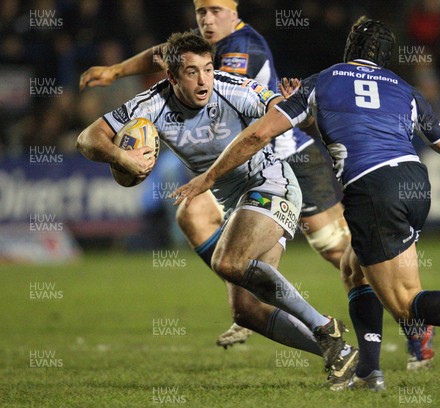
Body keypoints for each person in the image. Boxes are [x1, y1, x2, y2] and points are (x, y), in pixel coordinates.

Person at [170, 17, 440, 389]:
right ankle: (369, 373)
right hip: (415, 183)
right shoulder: (404, 89)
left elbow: (260, 134)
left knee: (405, 301)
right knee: (352, 266)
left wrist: (209, 177)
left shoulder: (325, 80)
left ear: (351, 48)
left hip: (372, 189)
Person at [76, 31, 357, 382]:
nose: (203, 79)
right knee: (248, 312)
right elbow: (87, 138)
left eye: (208, 69)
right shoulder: (151, 103)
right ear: (172, 76)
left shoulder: (232, 87)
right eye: (192, 72)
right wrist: (123, 157)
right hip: (235, 204)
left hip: (271, 184)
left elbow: (276, 108)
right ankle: (341, 355)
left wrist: (288, 105)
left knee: (228, 260)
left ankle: (324, 327)